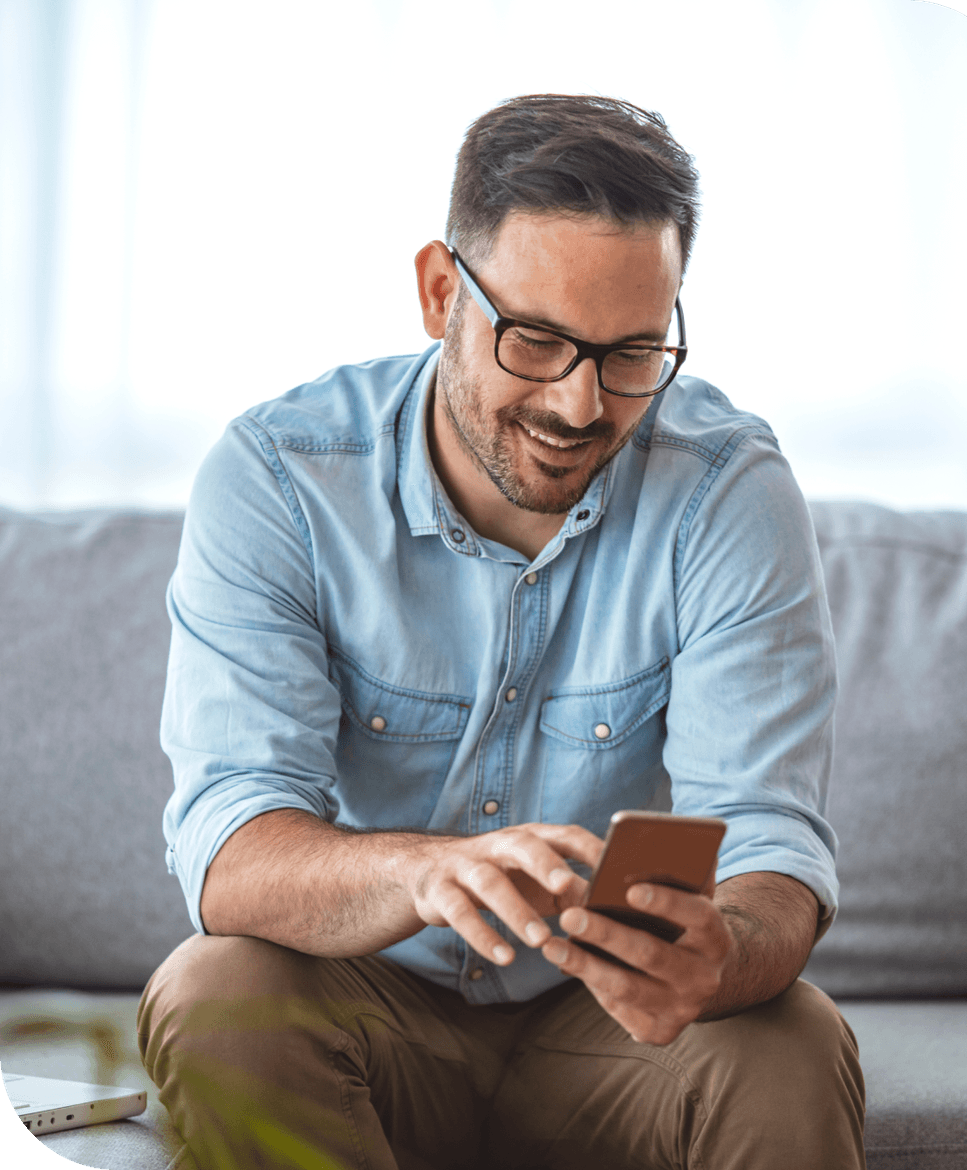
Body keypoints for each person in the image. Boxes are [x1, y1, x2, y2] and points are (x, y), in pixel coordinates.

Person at [138, 94, 866, 1170]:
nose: (581, 406)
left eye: (630, 354)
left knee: (791, 1037)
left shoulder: (727, 491)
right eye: (536, 341)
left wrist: (729, 949)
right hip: (367, 1001)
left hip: (610, 1031)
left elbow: (765, 842)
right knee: (213, 991)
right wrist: (426, 872)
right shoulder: (280, 477)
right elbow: (230, 845)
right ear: (441, 293)